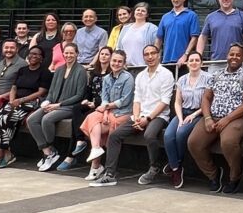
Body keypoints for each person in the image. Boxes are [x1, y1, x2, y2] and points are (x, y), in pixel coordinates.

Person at [188, 43, 243, 193]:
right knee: (194, 142)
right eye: (232, 54)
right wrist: (207, 118)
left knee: (228, 142)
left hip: (237, 118)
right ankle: (213, 175)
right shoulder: (216, 75)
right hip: (213, 116)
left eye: (238, 55)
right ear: (227, 56)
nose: (234, 57)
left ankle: (236, 176)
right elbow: (206, 98)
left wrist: (227, 119)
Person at [103, 44, 174, 185]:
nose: (150, 56)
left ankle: (154, 167)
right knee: (115, 136)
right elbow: (137, 100)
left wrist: (147, 119)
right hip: (139, 115)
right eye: (146, 54)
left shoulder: (166, 74)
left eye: (153, 53)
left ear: (158, 55)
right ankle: (110, 173)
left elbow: (165, 101)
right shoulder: (141, 76)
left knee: (149, 135)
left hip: (158, 116)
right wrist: (136, 117)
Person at [0, 44, 49, 168]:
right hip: (15, 101)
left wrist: (21, 100)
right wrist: (12, 100)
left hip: (31, 102)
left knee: (9, 118)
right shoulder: (22, 70)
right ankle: (6, 152)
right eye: (31, 53)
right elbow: (14, 87)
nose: (33, 56)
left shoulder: (45, 72)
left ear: (41, 58)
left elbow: (41, 92)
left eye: (36, 54)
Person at [26, 44, 89, 169]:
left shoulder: (81, 71)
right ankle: (48, 151)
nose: (68, 55)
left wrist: (58, 105)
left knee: (47, 119)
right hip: (53, 104)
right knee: (31, 120)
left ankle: (49, 147)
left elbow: (79, 95)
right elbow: (52, 91)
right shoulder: (59, 69)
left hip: (68, 106)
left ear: (77, 54)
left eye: (71, 53)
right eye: (66, 53)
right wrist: (48, 101)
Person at [76, 50, 134, 183]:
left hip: (123, 112)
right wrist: (106, 112)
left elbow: (124, 101)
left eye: (120, 61)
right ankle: (96, 149)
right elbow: (105, 99)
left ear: (124, 63)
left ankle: (102, 167)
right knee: (92, 118)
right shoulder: (107, 78)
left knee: (107, 126)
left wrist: (106, 109)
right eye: (114, 61)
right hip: (109, 111)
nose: (116, 63)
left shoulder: (128, 78)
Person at [164, 51, 213, 188]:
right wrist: (179, 118)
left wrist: (193, 115)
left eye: (197, 60)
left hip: (198, 113)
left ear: (202, 63)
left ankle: (174, 164)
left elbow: (209, 101)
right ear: (187, 63)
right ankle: (176, 168)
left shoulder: (209, 78)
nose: (194, 63)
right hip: (182, 112)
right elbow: (177, 102)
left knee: (181, 133)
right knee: (168, 135)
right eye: (191, 60)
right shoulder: (182, 79)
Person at [64, 45, 113, 169]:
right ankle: (80, 140)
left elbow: (110, 94)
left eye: (107, 54)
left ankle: (71, 154)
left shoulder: (112, 74)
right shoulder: (94, 72)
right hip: (92, 102)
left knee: (82, 119)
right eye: (102, 54)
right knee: (76, 109)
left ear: (111, 57)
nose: (104, 56)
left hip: (103, 106)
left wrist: (95, 103)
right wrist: (86, 100)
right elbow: (89, 90)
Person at [199, 0, 243, 72]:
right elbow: (203, 37)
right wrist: (199, 56)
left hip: (236, 61)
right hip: (216, 62)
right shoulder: (210, 17)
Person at [158, 0, 201, 65]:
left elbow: (194, 38)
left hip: (185, 61)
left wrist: (185, 55)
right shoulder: (165, 17)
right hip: (166, 60)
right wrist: (156, 57)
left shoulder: (192, 15)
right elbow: (159, 38)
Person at [119, 3, 159, 69]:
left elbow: (156, 49)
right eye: (138, 10)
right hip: (125, 68)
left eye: (143, 11)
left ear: (147, 15)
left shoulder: (152, 29)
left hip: (144, 68)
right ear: (134, 12)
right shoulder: (125, 28)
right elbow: (119, 48)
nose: (140, 12)